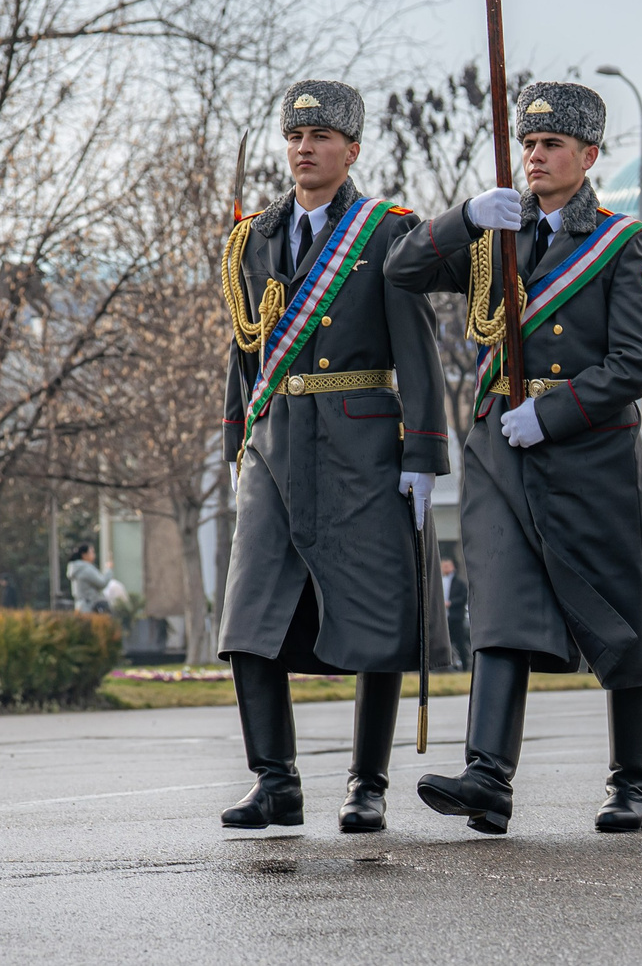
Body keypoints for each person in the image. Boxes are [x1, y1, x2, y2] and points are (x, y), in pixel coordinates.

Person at [386, 80, 642, 835]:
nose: (536, 156)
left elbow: (636, 361)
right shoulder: (495, 238)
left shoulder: (621, 242)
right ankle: (488, 774)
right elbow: (401, 269)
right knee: (501, 601)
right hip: (498, 451)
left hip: (586, 449)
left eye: (552, 145)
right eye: (529, 144)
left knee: (620, 610)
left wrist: (551, 413)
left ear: (588, 154)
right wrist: (463, 217)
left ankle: (631, 781)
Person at [219, 80, 448, 835]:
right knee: (251, 615)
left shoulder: (386, 233)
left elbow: (417, 348)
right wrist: (235, 441)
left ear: (352, 149)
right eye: (295, 135)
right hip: (278, 444)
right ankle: (274, 780)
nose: (305, 147)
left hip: (363, 443)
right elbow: (247, 349)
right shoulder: (254, 237)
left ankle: (367, 783)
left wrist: (424, 450)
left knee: (377, 612)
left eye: (321, 135)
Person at [67, 544, 115, 615]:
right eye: (92, 552)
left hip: (80, 606)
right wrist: (109, 569)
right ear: (84, 555)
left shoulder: (76, 568)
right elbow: (102, 583)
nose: (94, 555)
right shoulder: (86, 569)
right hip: (90, 607)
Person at [442, 556, 471, 671]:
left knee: (460, 643)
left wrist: (451, 603)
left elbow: (464, 597)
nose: (445, 568)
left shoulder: (459, 583)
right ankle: (445, 668)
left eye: (447, 566)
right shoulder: (439, 581)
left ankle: (465, 667)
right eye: (443, 566)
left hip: (455, 617)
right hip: (444, 618)